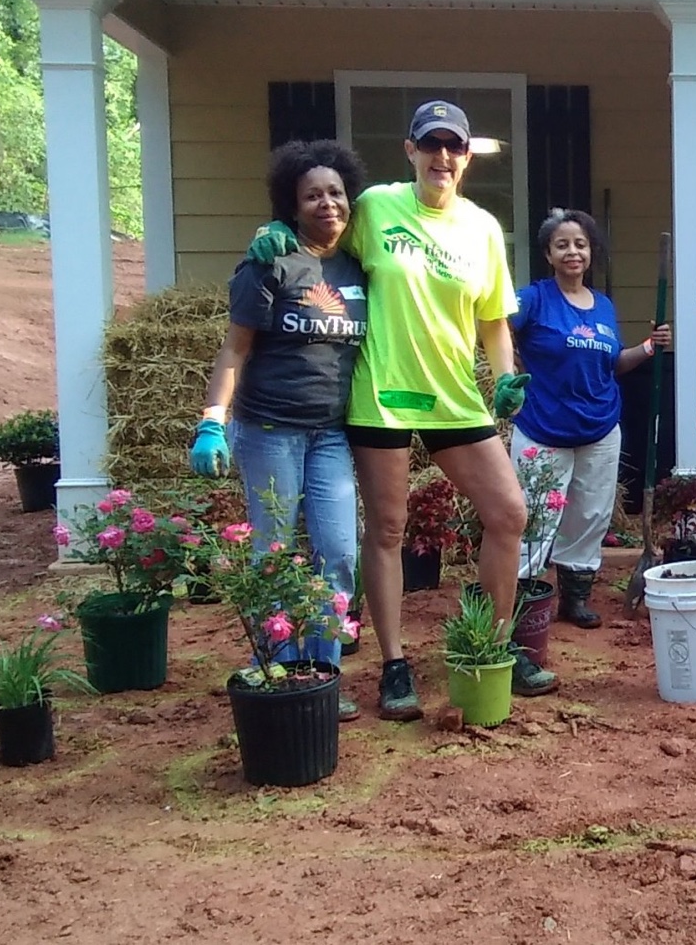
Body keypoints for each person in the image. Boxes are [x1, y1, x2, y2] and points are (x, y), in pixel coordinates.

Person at [244, 100, 556, 719]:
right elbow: (322, 230)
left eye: (454, 147)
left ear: (466, 157)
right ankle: (393, 665)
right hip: (380, 397)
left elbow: (493, 318)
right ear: (410, 151)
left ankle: (491, 648)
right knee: (388, 531)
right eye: (430, 145)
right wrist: (272, 231)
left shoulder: (482, 229)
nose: (443, 157)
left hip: (453, 398)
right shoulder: (376, 207)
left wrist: (507, 376)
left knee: (509, 512)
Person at [190, 140, 371, 719]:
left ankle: (322, 675)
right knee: (272, 551)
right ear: (291, 206)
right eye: (312, 195)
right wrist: (211, 423)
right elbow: (233, 349)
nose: (327, 204)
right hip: (269, 429)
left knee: (339, 552)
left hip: (331, 433)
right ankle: (279, 668)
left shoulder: (359, 266)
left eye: (336, 193)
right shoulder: (268, 262)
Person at [509, 208, 671, 628]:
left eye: (580, 244)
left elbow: (613, 362)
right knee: (536, 514)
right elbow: (493, 326)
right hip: (543, 427)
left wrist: (650, 347)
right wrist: (510, 366)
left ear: (590, 252)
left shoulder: (602, 306)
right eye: (562, 244)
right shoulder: (534, 298)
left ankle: (574, 598)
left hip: (599, 427)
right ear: (548, 253)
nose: (572, 252)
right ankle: (525, 600)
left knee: (591, 515)